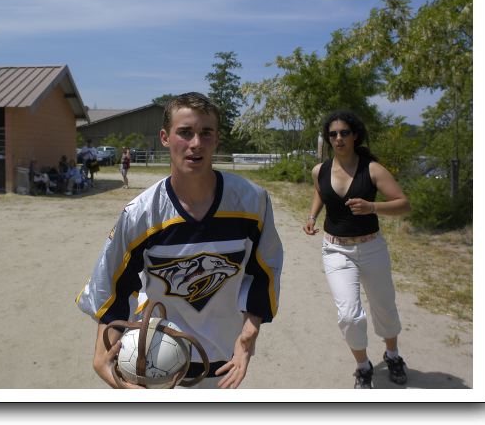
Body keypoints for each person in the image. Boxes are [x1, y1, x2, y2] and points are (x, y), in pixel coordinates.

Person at [76, 92, 283, 389]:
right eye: (185, 132)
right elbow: (112, 286)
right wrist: (101, 355)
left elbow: (265, 270)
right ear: (165, 137)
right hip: (156, 357)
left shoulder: (252, 202)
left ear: (217, 139)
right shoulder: (141, 214)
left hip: (223, 357)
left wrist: (250, 332)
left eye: (206, 133)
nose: (196, 143)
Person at [302, 110, 411, 389]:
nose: (338, 138)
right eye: (333, 134)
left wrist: (372, 207)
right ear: (328, 139)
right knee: (349, 316)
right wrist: (313, 216)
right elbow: (320, 192)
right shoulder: (320, 170)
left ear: (355, 136)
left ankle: (392, 355)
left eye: (344, 133)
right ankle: (363, 367)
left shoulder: (372, 169)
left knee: (384, 307)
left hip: (371, 247)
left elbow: (403, 203)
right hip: (336, 250)